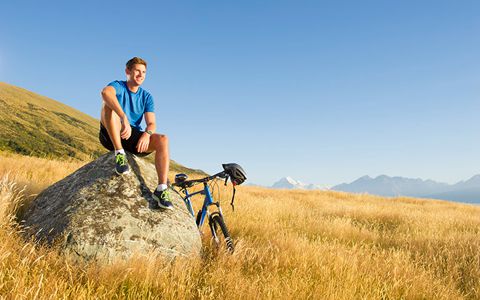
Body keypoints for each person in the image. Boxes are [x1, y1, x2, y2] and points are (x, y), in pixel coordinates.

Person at [98, 57, 173, 210]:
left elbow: (151, 123)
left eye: (144, 72)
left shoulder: (146, 97)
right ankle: (119, 154)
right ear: (128, 71)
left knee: (163, 139)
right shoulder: (119, 86)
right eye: (137, 71)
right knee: (108, 106)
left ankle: (161, 190)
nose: (141, 75)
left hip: (133, 138)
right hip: (111, 134)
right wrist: (123, 116)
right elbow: (105, 92)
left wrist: (147, 133)